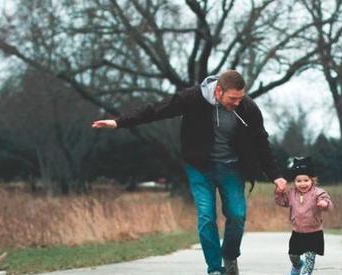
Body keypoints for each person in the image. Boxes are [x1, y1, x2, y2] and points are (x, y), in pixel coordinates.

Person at [92, 70, 287, 275]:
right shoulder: (193, 98)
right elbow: (158, 109)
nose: (237, 103)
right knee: (206, 217)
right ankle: (215, 269)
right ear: (218, 91)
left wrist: (276, 175)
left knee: (237, 215)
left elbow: (261, 142)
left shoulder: (248, 108)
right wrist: (120, 122)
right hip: (200, 167)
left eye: (240, 98)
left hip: (232, 168)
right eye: (233, 99)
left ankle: (229, 256)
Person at [275, 156, 333, 275]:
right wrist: (279, 193)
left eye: (306, 180)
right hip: (297, 232)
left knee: (310, 258)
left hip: (314, 232)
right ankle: (297, 265)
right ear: (294, 182)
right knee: (293, 255)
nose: (302, 184)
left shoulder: (318, 192)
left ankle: (306, 273)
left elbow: (327, 201)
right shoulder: (291, 193)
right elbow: (282, 202)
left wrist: (324, 204)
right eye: (299, 181)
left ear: (312, 180)